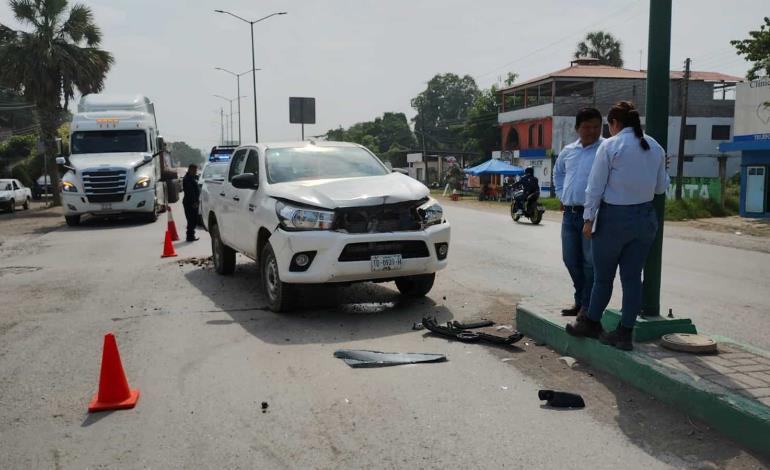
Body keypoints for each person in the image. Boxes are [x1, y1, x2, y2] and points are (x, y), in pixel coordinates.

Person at [566, 101, 669, 351]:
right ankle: (624, 333)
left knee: (603, 278)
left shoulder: (611, 145)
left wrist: (589, 219)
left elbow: (595, 187)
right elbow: (660, 188)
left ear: (614, 124)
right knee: (633, 279)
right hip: (645, 219)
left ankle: (591, 323)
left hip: (613, 220)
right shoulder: (654, 146)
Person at [553, 108, 604, 318]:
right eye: (586, 127)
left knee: (589, 263)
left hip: (592, 215)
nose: (592, 131)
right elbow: (558, 173)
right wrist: (561, 195)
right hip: (569, 214)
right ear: (577, 128)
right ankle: (580, 300)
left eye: (596, 127)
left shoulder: (605, 149)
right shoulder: (568, 151)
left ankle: (585, 305)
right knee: (570, 259)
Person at [182, 164, 200, 242]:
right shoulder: (187, 179)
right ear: (190, 170)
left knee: (193, 220)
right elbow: (190, 192)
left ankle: (191, 235)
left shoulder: (191, 178)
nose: (195, 172)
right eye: (194, 170)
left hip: (192, 202)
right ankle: (190, 236)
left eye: (196, 171)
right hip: (190, 203)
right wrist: (194, 202)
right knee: (191, 220)